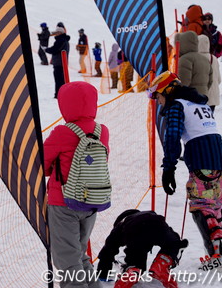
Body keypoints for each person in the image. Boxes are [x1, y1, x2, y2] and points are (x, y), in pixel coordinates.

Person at [150, 71, 222, 270]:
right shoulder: (198, 103)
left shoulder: (176, 105)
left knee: (200, 207)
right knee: (213, 205)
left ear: (168, 92)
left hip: (202, 158)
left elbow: (172, 137)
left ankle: (218, 257)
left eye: (158, 96)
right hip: (219, 158)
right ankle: (219, 256)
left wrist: (168, 167)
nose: (158, 102)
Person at [43, 81, 108, 288]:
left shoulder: (63, 132)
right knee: (80, 255)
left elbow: (41, 165)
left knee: (67, 261)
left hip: (63, 204)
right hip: (92, 202)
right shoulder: (102, 131)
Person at [96, 209, 188, 288]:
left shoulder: (120, 227)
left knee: (137, 257)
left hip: (134, 230)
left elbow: (107, 251)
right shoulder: (146, 214)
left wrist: (103, 274)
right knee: (174, 243)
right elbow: (171, 235)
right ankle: (162, 263)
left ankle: (133, 270)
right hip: (157, 223)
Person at [176, 31, 213, 98]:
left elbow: (183, 82)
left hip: (189, 99)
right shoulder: (205, 59)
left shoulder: (185, 59)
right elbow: (210, 81)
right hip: (203, 98)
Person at [46, 25, 70, 98]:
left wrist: (46, 50)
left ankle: (59, 94)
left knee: (59, 79)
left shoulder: (61, 40)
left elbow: (55, 49)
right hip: (60, 63)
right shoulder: (62, 40)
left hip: (59, 63)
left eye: (57, 32)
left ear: (60, 32)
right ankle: (61, 93)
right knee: (60, 79)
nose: (55, 34)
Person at [198, 34, 220, 111]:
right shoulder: (214, 58)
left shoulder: (195, 58)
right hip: (213, 96)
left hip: (201, 95)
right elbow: (219, 79)